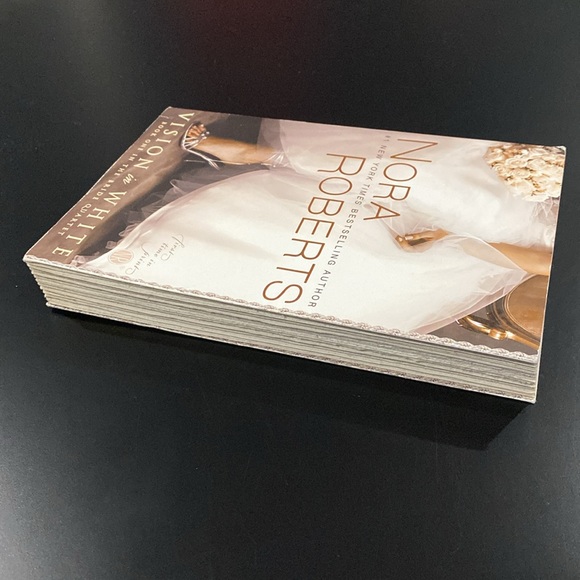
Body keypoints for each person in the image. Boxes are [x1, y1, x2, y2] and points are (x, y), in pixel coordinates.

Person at [79, 118, 563, 337]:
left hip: (511, 230)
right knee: (437, 165)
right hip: (522, 176)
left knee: (444, 206)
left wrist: (456, 240)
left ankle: (147, 267)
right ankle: (271, 155)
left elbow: (548, 262)